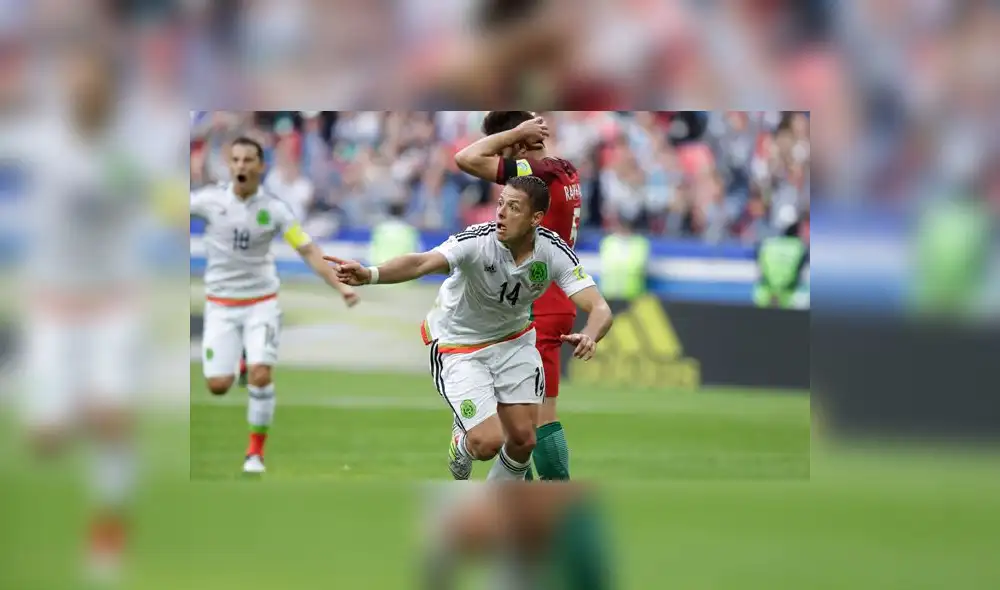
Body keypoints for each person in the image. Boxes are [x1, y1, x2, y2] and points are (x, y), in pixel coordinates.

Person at [326, 175, 613, 482]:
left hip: (513, 342)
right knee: (487, 442)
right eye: (500, 203)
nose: (501, 212)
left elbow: (599, 308)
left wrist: (591, 335)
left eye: (514, 207)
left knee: (524, 440)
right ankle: (461, 443)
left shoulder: (552, 252)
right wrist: (370, 274)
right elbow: (422, 263)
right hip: (459, 346)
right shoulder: (476, 242)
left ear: (536, 218)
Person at [190, 137, 359, 474]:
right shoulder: (208, 201)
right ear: (229, 165)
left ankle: (255, 454)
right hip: (221, 305)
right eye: (235, 159)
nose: (241, 166)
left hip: (261, 303)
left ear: (261, 166)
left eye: (248, 160)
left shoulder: (276, 210)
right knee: (217, 385)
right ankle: (239, 361)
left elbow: (308, 250)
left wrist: (339, 286)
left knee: (262, 374)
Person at [453, 111, 583, 481]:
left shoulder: (532, 174)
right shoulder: (565, 169)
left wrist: (514, 133)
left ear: (514, 144)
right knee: (528, 417)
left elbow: (465, 158)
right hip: (556, 299)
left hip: (533, 302)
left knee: (532, 422)